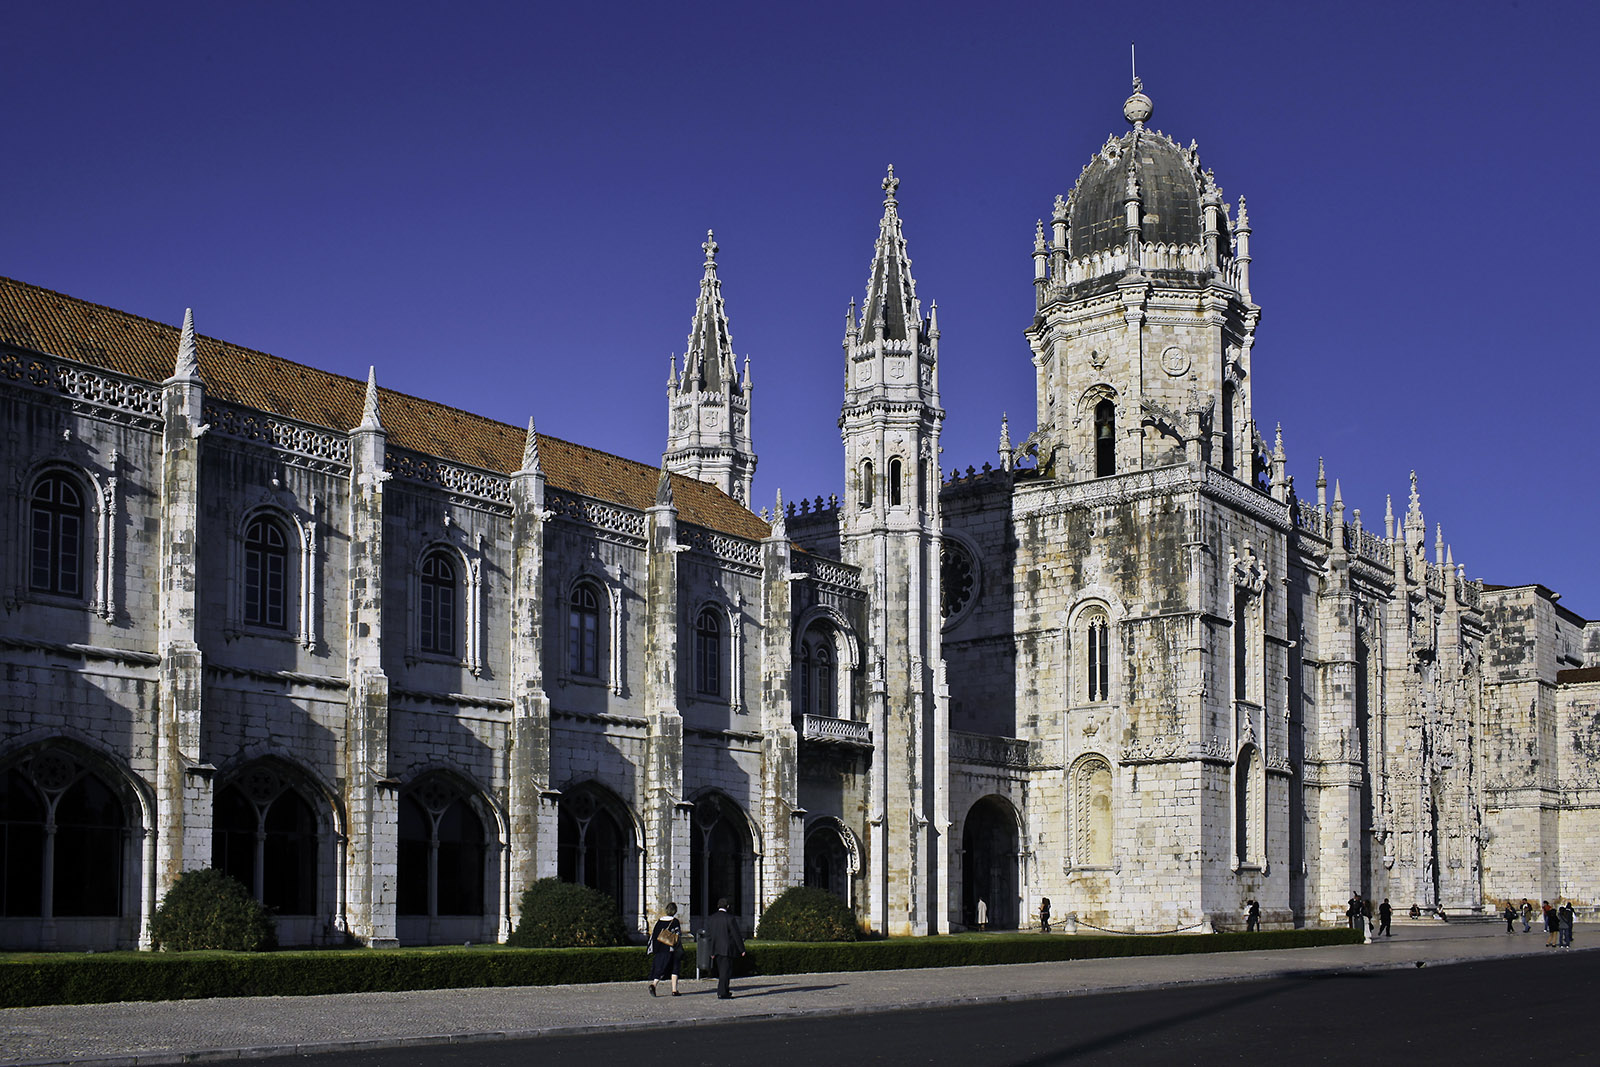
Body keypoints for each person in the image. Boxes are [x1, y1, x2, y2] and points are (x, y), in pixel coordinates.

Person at [703, 897, 745, 999]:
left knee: (723, 970)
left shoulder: (711, 918)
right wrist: (742, 949)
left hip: (716, 949)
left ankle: (725, 990)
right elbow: (736, 935)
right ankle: (722, 992)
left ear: (718, 906)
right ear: (727, 906)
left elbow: (709, 937)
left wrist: (711, 951)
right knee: (725, 971)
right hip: (727, 949)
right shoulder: (730, 918)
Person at [647, 902, 683, 997]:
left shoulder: (659, 922)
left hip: (660, 949)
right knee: (675, 968)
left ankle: (654, 984)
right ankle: (674, 990)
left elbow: (654, 936)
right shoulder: (675, 922)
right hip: (672, 948)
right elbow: (678, 936)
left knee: (660, 968)